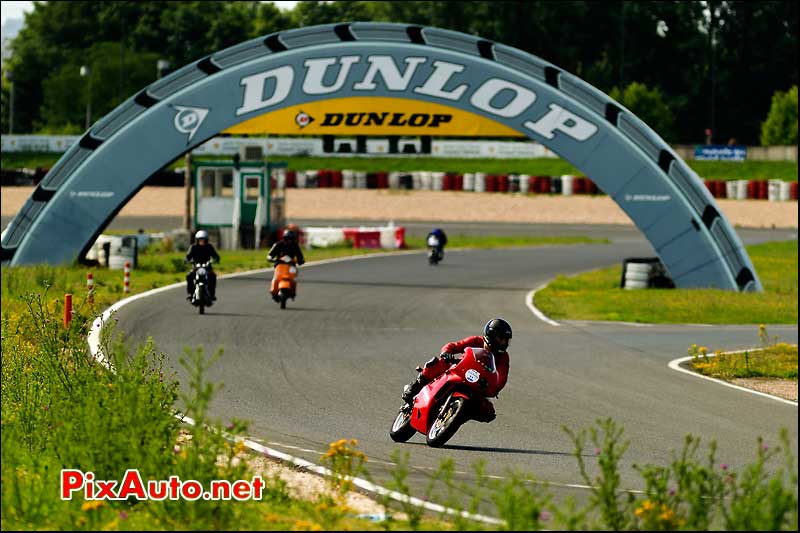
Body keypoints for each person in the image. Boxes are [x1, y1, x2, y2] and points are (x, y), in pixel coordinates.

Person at [401, 318, 512, 422]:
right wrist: (446, 353)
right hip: (459, 370)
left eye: (506, 340)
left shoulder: (503, 358)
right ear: (491, 335)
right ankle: (415, 386)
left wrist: (493, 388)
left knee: (488, 412)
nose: (504, 343)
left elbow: (502, 377)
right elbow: (454, 345)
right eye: (501, 338)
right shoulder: (476, 340)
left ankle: (458, 415)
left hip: (477, 384)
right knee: (437, 363)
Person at [267, 228, 306, 302]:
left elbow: (300, 257)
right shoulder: (278, 245)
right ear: (284, 238)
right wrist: (271, 259)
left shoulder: (295, 246)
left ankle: (293, 292)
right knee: (276, 278)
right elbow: (270, 255)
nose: (289, 240)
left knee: (293, 279)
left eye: (291, 239)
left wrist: (301, 261)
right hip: (279, 265)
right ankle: (273, 291)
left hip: (291, 266)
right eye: (288, 238)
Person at [185, 230, 220, 300]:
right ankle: (190, 293)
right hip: (196, 267)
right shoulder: (193, 247)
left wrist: (216, 260)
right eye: (200, 240)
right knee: (189, 276)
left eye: (203, 240)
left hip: (207, 267)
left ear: (206, 240)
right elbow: (188, 256)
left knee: (213, 276)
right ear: (197, 240)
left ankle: (212, 294)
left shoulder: (209, 247)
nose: (202, 241)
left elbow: (215, 255)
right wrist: (187, 260)